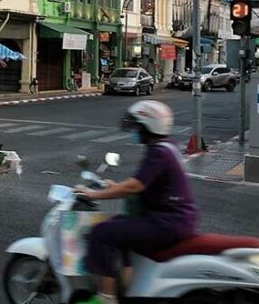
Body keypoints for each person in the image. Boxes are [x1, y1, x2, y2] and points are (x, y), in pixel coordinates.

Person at [76, 100, 197, 304]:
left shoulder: (159, 152)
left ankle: (106, 297)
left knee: (101, 232)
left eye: (137, 126)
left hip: (166, 223)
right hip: (173, 220)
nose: (134, 131)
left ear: (147, 127)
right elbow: (144, 183)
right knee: (119, 223)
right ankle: (125, 285)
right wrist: (114, 186)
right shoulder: (165, 148)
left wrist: (92, 194)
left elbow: (134, 186)